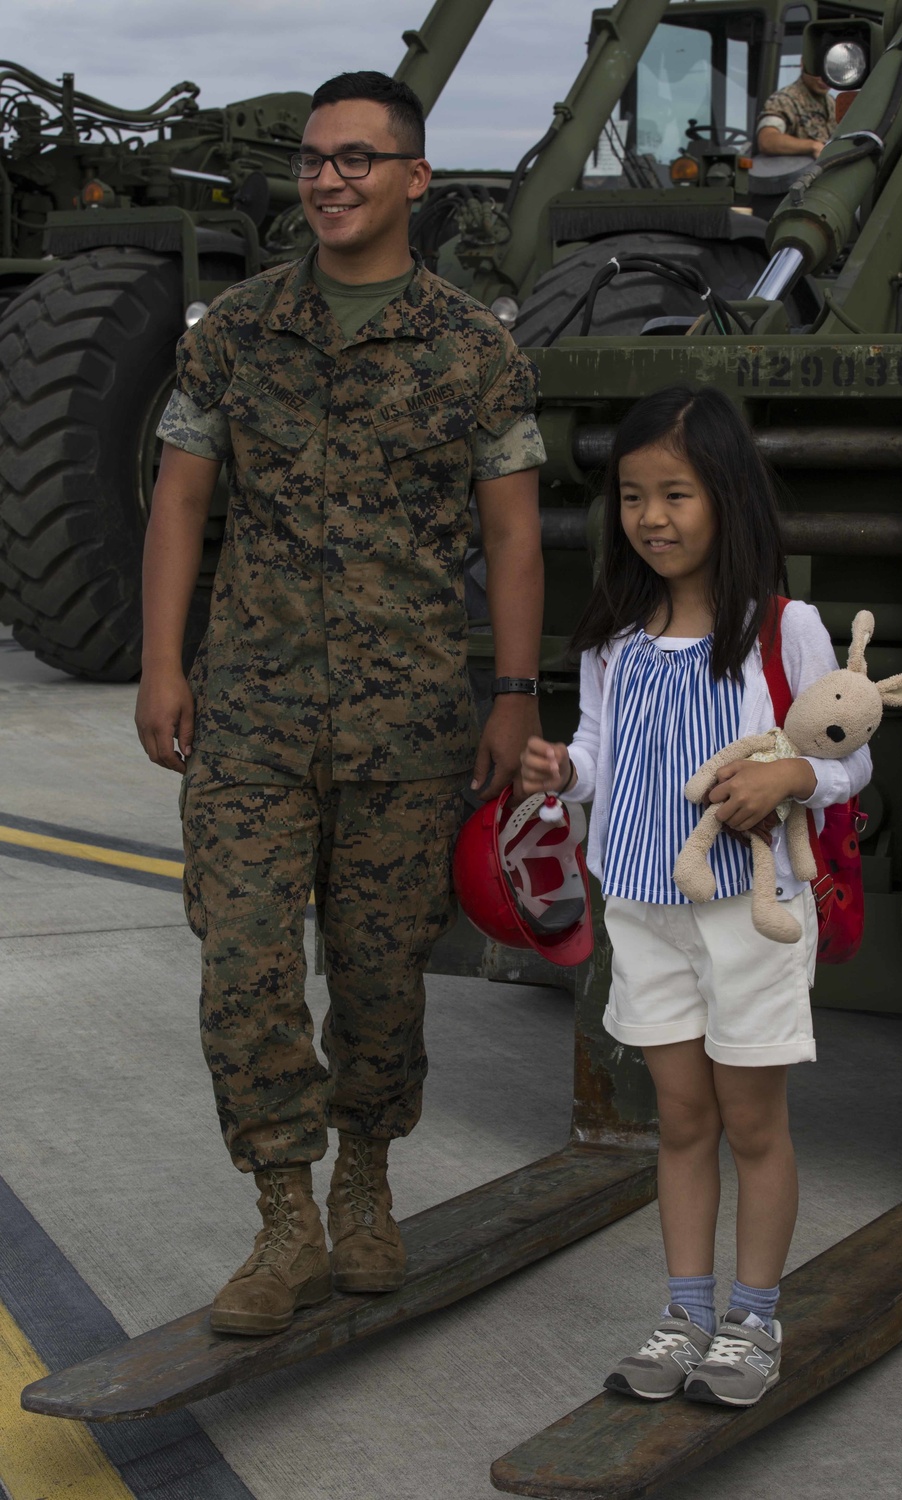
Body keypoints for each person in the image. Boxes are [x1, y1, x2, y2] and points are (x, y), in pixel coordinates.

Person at [135, 71, 546, 1335]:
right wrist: (162, 662)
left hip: (408, 721)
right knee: (245, 966)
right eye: (314, 160)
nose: (328, 179)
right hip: (251, 712)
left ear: (415, 180)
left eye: (358, 159)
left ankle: (365, 1184)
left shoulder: (474, 349)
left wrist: (515, 695)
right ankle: (285, 1218)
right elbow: (182, 504)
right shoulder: (234, 334)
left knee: (380, 980)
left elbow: (514, 537)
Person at [519, 386, 870, 1407]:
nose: (653, 517)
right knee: (678, 1120)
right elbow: (597, 751)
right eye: (632, 496)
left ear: (725, 496)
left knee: (751, 1121)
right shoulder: (610, 637)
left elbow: (846, 761)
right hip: (640, 906)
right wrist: (564, 774)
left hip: (747, 910)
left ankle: (753, 1320)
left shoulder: (784, 629)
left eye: (675, 493)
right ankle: (684, 1315)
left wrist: (794, 778)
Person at [756, 70, 835, 159]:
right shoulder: (785, 100)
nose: (824, 78)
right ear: (804, 63)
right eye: (818, 69)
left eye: (832, 70)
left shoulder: (833, 104)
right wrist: (813, 146)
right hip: (798, 171)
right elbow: (767, 140)